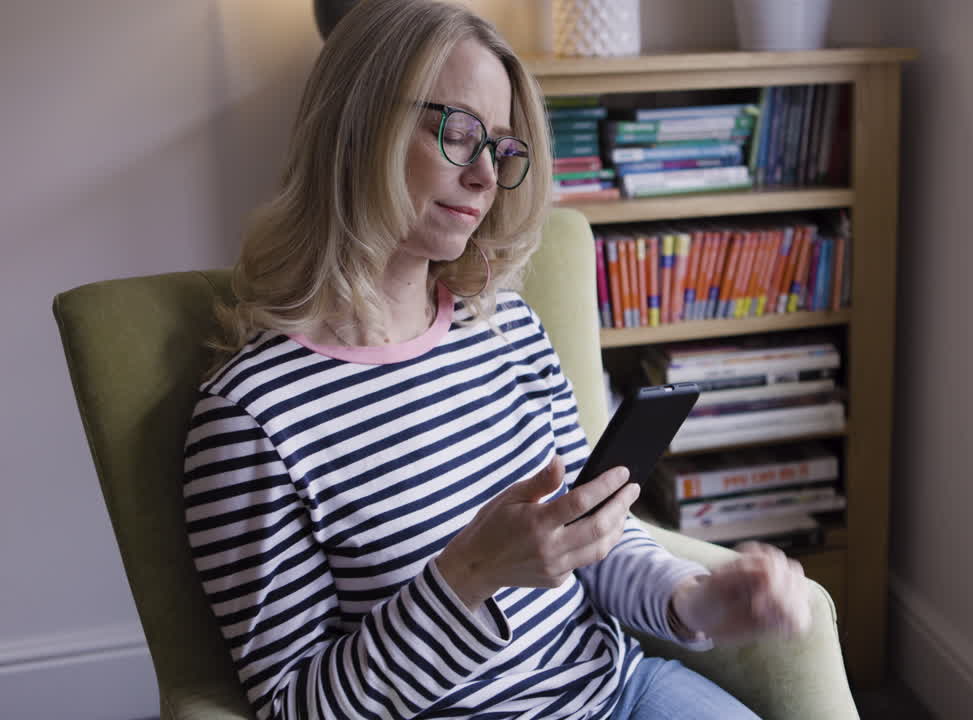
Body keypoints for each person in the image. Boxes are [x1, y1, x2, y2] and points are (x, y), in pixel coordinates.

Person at [182, 1, 812, 718]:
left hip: (619, 693)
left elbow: (592, 535)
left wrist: (695, 602)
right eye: (457, 134)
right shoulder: (252, 419)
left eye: (503, 148)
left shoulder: (506, 327)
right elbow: (296, 707)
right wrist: (467, 576)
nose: (486, 174)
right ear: (354, 127)